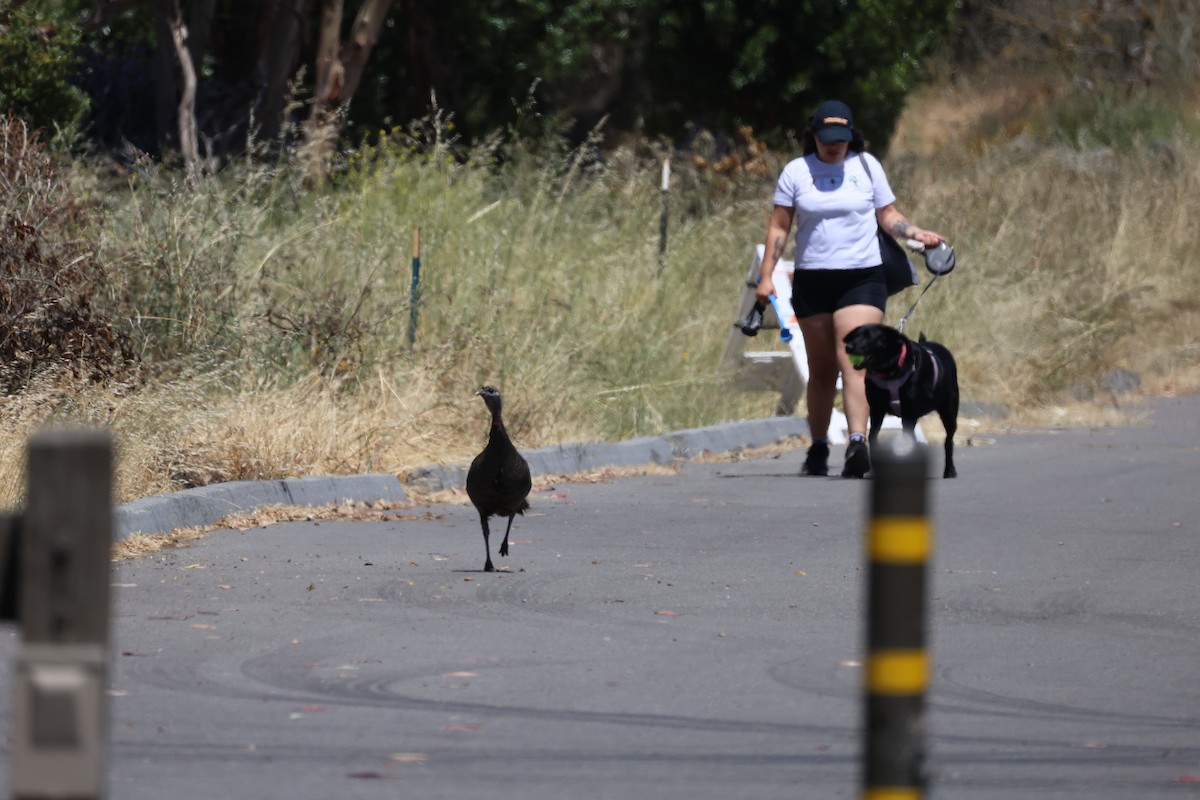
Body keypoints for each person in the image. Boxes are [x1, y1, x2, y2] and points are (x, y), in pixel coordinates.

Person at [755, 99, 944, 477]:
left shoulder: (866, 166)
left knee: (854, 360)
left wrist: (915, 233)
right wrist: (766, 276)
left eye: (841, 138)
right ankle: (819, 447)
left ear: (851, 136)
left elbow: (887, 215)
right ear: (814, 136)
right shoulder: (796, 172)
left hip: (862, 276)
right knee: (822, 370)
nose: (834, 145)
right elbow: (780, 226)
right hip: (813, 279)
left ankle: (858, 443)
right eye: (827, 138)